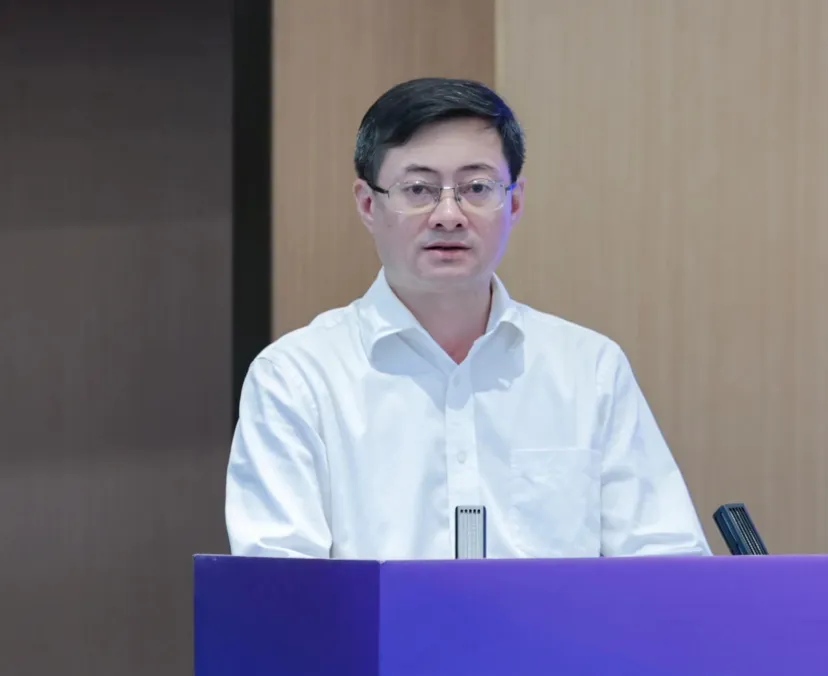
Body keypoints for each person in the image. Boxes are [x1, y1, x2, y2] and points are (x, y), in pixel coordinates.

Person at [225, 77, 711, 559]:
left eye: (477, 187)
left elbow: (667, 561)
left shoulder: (590, 370)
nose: (448, 214)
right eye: (418, 188)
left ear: (514, 202)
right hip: (374, 619)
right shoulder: (297, 377)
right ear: (368, 204)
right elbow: (278, 578)